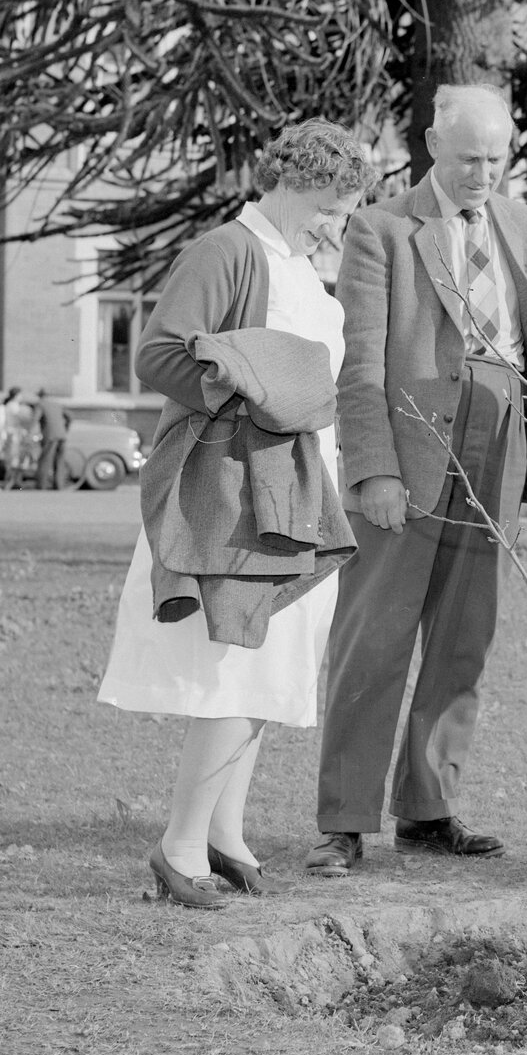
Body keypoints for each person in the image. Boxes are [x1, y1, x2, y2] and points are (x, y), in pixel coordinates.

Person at [307, 84, 527, 878]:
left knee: (468, 635)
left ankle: (429, 810)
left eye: (497, 159)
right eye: (469, 157)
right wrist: (372, 471)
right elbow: (360, 365)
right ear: (433, 144)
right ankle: (344, 820)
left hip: (498, 440)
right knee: (376, 638)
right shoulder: (380, 231)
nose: (483, 174)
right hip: (411, 446)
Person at [95, 120, 377, 907]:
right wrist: (257, 389)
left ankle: (224, 832)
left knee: (272, 667)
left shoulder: (295, 265)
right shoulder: (227, 251)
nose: (337, 226)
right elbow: (160, 356)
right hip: (237, 489)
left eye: (346, 212)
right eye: (330, 207)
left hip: (295, 487)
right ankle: (178, 844)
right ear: (290, 183)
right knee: (238, 665)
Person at [33, 389, 69, 490]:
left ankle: (42, 485)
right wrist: (65, 429)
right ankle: (59, 485)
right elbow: (70, 417)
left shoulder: (40, 404)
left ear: (40, 396)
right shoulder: (57, 404)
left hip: (50, 435)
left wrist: (30, 432)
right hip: (62, 435)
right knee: (59, 461)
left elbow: (35, 419)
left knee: (45, 460)